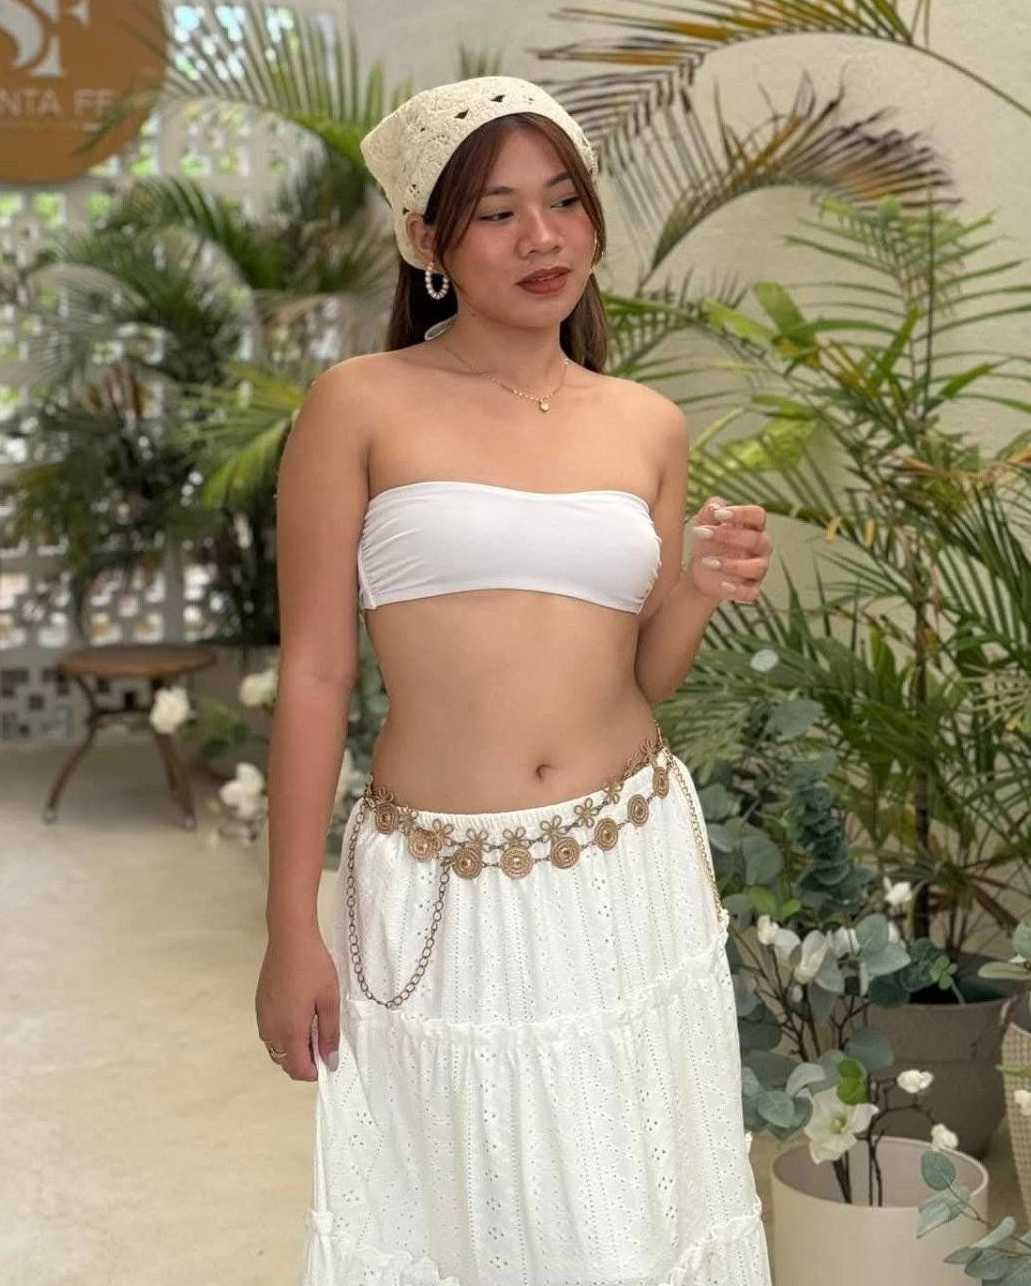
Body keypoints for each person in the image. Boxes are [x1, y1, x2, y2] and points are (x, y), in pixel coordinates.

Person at [260, 75, 775, 1284]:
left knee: (631, 1212)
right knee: (465, 1214)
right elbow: (316, 673)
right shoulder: (359, 404)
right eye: (497, 213)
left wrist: (697, 584)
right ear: (427, 240)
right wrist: (291, 925)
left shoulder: (645, 422)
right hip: (444, 882)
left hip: (626, 862)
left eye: (564, 202)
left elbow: (640, 675)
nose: (543, 237)